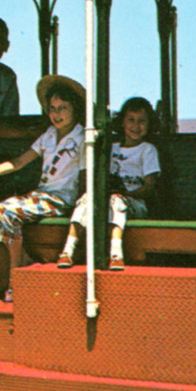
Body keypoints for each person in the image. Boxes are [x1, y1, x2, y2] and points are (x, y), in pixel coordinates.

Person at [0, 75, 85, 303]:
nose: (56, 114)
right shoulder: (48, 135)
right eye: (52, 108)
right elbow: (19, 162)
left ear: (75, 109)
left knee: (9, 214)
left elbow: (84, 178)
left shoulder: (82, 137)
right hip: (40, 196)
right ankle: (23, 259)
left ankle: (14, 277)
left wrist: (79, 209)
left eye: (63, 108)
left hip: (60, 200)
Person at [59, 96, 160, 272]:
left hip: (133, 203)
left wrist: (127, 195)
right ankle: (68, 250)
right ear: (122, 122)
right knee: (87, 199)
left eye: (142, 121)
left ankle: (116, 253)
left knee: (116, 201)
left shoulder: (147, 149)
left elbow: (149, 187)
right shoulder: (110, 147)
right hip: (107, 200)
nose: (136, 126)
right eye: (131, 120)